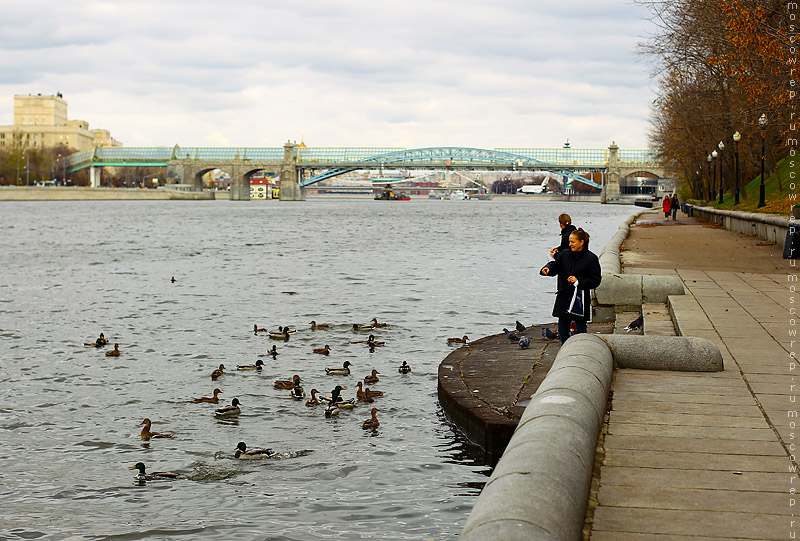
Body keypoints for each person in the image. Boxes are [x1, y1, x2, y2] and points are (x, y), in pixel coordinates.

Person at [540, 228, 602, 344]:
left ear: (581, 242)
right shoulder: (564, 254)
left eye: (573, 242)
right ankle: (565, 348)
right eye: (569, 241)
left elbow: (596, 280)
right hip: (564, 295)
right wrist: (548, 268)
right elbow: (555, 266)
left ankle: (581, 349)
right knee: (563, 329)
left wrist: (579, 280)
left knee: (580, 329)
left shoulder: (591, 258)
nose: (570, 244)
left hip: (580, 300)